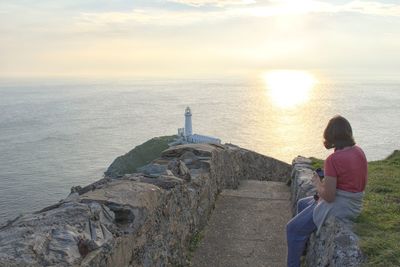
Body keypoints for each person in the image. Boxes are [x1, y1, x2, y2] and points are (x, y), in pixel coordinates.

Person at [286, 115, 368, 267]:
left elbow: (329, 197)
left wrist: (318, 183)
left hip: (341, 205)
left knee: (292, 229)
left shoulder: (333, 160)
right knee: (303, 203)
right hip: (355, 203)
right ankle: (301, 249)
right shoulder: (359, 151)